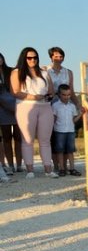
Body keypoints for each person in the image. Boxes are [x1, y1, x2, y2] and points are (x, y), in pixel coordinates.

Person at [10, 48, 58, 179]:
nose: (33, 60)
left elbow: (52, 90)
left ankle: (48, 169)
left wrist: (49, 96)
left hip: (45, 107)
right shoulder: (16, 72)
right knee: (27, 140)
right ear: (23, 58)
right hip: (25, 107)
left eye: (35, 57)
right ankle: (30, 170)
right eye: (29, 58)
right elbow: (15, 91)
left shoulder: (44, 72)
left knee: (45, 140)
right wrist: (33, 97)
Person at [45, 46, 81, 172]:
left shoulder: (68, 72)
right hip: (51, 105)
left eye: (61, 56)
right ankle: (56, 166)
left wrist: (78, 105)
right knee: (53, 137)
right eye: (56, 56)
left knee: (65, 138)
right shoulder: (45, 70)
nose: (59, 58)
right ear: (51, 57)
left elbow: (72, 90)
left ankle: (66, 166)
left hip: (67, 104)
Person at [52, 84, 82, 176]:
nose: (66, 97)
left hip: (70, 131)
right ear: (59, 95)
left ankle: (72, 168)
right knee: (60, 151)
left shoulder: (72, 106)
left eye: (68, 95)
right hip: (59, 131)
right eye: (64, 95)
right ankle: (61, 168)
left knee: (70, 151)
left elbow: (73, 120)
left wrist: (80, 114)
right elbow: (53, 118)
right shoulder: (55, 105)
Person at [0, 51, 22, 178]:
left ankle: (19, 164)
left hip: (17, 107)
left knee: (18, 137)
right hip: (2, 110)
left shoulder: (12, 71)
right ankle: (10, 165)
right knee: (7, 139)